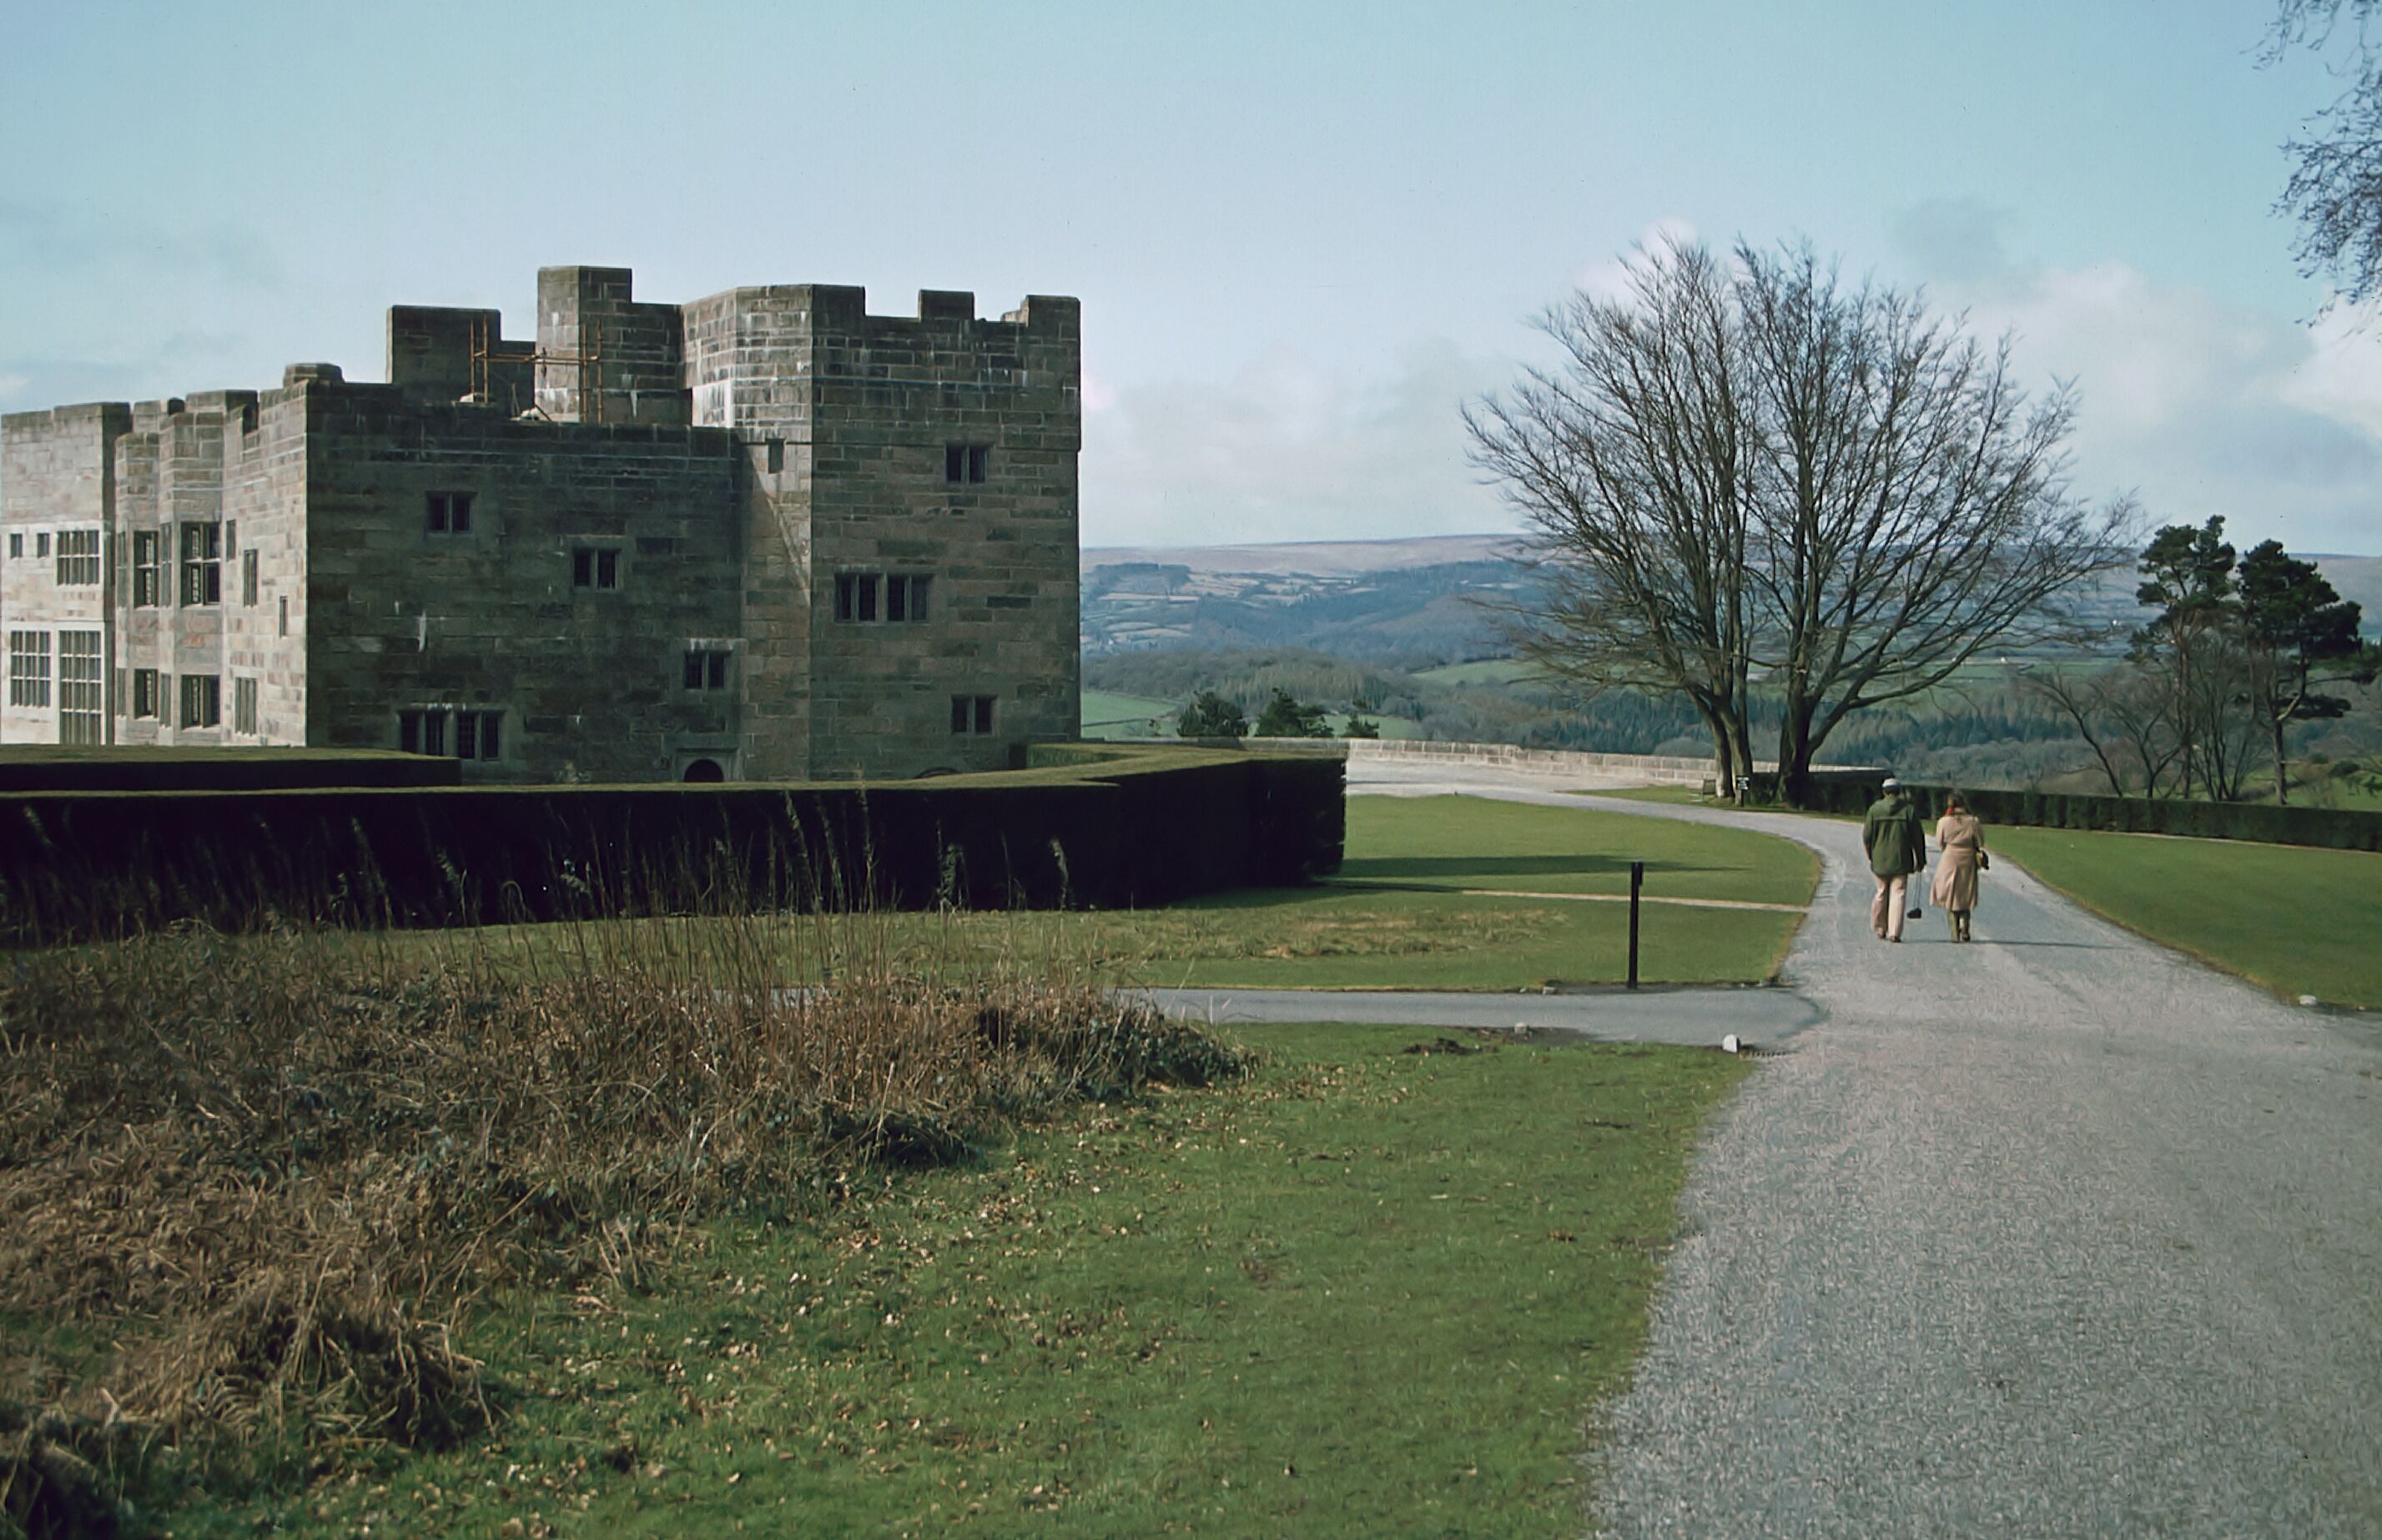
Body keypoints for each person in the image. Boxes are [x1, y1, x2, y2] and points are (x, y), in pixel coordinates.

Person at [1861, 777, 1926, 943]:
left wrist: (1870, 855)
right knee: (1899, 893)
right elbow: (1918, 838)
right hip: (1902, 858)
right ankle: (1895, 932)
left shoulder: (1875, 810)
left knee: (1881, 892)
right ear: (1899, 791)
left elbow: (1867, 836)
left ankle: (1879, 927)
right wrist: (1920, 859)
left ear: (1884, 792)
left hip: (1880, 858)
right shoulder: (1908, 810)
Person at [1930, 793, 1988, 942]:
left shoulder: (1944, 821)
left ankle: (1954, 931)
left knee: (1950, 893)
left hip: (1950, 857)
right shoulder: (1973, 821)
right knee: (1965, 893)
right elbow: (1980, 842)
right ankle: (1965, 926)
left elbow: (1940, 843)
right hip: (1968, 859)